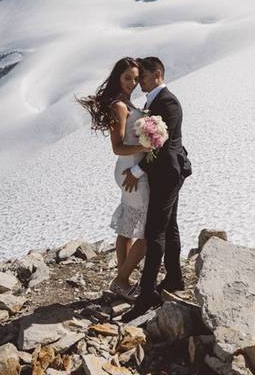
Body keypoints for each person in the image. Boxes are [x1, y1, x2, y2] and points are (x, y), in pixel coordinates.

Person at [122, 57, 192, 320]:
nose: (140, 81)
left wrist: (138, 171)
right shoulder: (154, 100)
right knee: (169, 225)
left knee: (154, 232)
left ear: (158, 74)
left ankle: (147, 295)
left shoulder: (168, 102)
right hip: (165, 173)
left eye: (144, 77)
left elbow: (161, 145)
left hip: (168, 173)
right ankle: (174, 278)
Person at [78, 57, 150, 298]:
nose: (132, 83)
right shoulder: (120, 106)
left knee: (128, 225)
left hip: (130, 168)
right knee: (148, 231)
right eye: (127, 78)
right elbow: (117, 146)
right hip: (131, 170)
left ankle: (124, 280)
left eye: (135, 79)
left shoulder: (125, 102)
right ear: (118, 77)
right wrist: (146, 146)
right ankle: (121, 279)